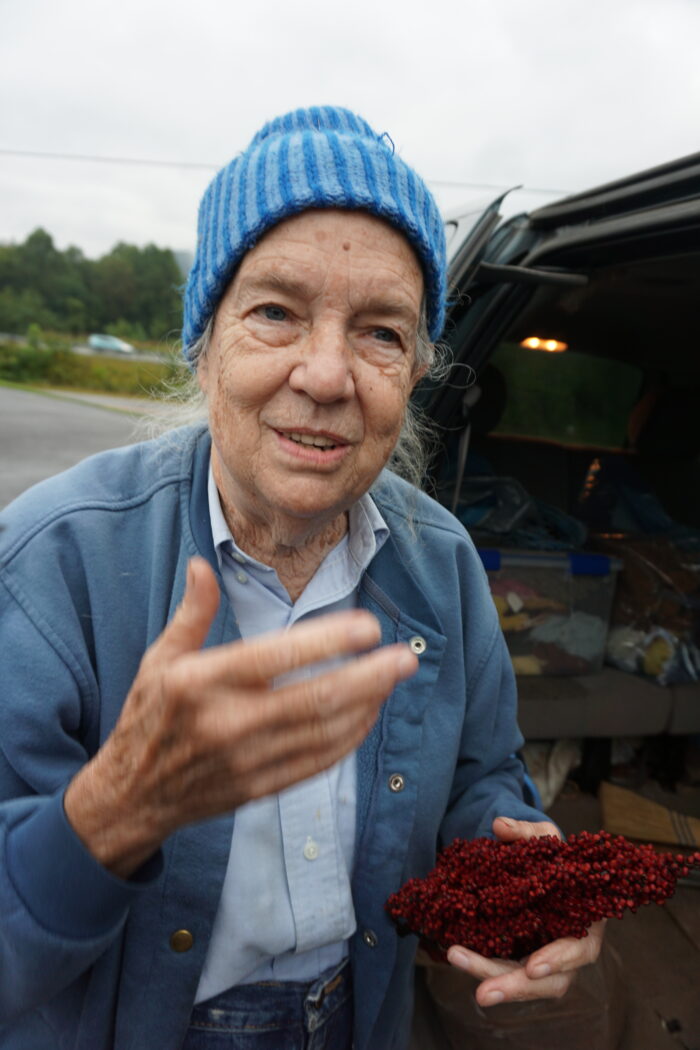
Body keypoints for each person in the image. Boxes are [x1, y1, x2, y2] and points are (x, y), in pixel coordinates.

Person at [0, 106, 603, 1050]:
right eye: (276, 312)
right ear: (205, 342)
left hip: (354, 1017)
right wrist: (109, 813)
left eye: (379, 333)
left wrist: (518, 870)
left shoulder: (442, 564)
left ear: (415, 372)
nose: (326, 376)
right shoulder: (48, 563)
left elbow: (482, 781)